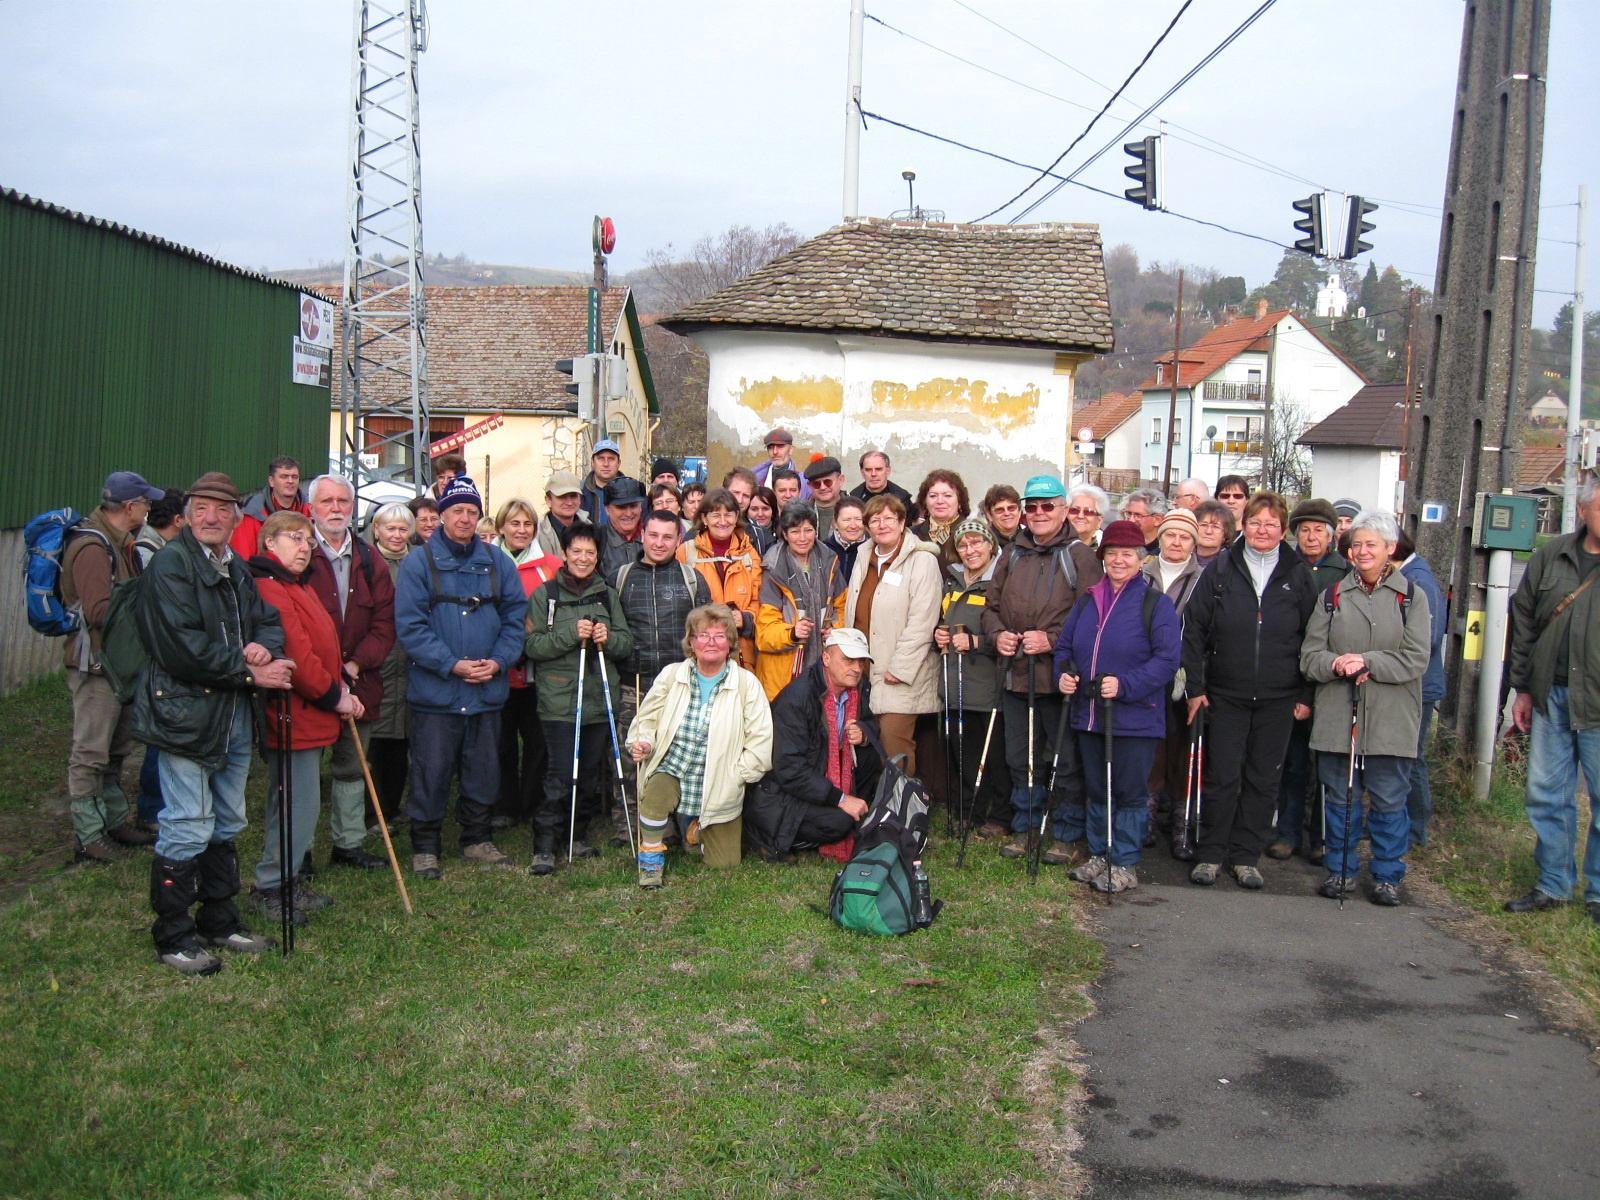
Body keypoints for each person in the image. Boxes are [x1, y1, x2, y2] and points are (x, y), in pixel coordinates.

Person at [133, 472, 291, 975]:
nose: (211, 518)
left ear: (236, 518)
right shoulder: (170, 567)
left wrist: (264, 645)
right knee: (186, 824)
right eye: (202, 508)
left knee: (227, 820)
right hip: (186, 714)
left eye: (222, 510)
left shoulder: (235, 567)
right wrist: (250, 671)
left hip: (231, 715)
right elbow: (181, 648)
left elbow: (266, 618)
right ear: (186, 514)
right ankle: (174, 934)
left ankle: (220, 920)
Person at [393, 476, 529, 879]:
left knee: (483, 767)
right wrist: (451, 664)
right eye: (457, 511)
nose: (465, 519)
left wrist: (500, 661)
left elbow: (515, 617)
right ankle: (425, 846)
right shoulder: (419, 563)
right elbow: (411, 627)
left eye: (472, 511)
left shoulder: (497, 561)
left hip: (487, 688)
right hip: (438, 691)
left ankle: (476, 837)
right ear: (441, 515)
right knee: (431, 770)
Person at [1181, 491, 1318, 890]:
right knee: (1221, 776)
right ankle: (1210, 854)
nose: (1262, 530)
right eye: (1256, 522)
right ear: (1243, 525)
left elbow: (1313, 638)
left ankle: (1245, 857)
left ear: (1283, 531)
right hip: (1224, 693)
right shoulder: (1221, 569)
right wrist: (1196, 688)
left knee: (1263, 779)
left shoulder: (1297, 575)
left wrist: (1305, 695)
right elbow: (1194, 632)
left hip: (1279, 697)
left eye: (1271, 524)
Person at [1301, 509, 1431, 906]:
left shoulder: (1413, 596)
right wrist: (1337, 664)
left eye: (1371, 544)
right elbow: (1310, 657)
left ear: (1391, 548)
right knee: (1340, 797)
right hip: (1340, 713)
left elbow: (1416, 658)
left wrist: (1368, 661)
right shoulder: (1333, 595)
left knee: (1390, 798)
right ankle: (1340, 871)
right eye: (1356, 544)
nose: (1361, 551)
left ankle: (1388, 875)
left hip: (1393, 717)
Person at [247, 510, 364, 924]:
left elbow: (322, 646)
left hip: (312, 714)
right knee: (294, 805)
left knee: (301, 805)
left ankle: (287, 879)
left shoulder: (295, 583)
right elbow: (297, 655)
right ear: (269, 544)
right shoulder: (271, 586)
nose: (303, 546)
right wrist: (335, 696)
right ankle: (271, 885)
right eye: (293, 538)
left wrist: (342, 688)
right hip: (292, 716)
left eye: (307, 540)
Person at [1055, 520, 1182, 893]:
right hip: (1091, 715)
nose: (1119, 560)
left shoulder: (1155, 605)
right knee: (1097, 787)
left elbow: (1167, 660)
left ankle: (1125, 862)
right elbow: (1065, 648)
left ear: (1141, 560)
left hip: (1134, 718)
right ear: (1103, 557)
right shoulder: (1087, 602)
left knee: (1128, 792)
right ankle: (1100, 854)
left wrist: (1125, 685)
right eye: (1112, 553)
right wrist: (1064, 674)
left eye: (1128, 553)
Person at [983, 475, 1102, 863]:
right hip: (1016, 674)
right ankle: (1025, 827)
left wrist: (1052, 640)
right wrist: (998, 635)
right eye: (1031, 506)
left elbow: (1094, 616)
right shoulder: (1011, 554)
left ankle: (1066, 834)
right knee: (1021, 757)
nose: (1038, 513)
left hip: (1059, 678)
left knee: (1065, 759)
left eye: (1047, 505)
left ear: (1063, 510)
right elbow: (991, 607)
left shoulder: (1079, 556)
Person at [1504, 479, 1600, 921]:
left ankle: (1598, 894)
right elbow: (1523, 622)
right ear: (1582, 511)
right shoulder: (1551, 555)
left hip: (1598, 700)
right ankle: (1554, 885)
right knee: (1546, 793)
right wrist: (1522, 688)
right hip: (1550, 695)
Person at [628, 604, 774, 886]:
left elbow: (761, 738)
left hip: (719, 775)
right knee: (655, 795)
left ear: (730, 643)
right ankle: (650, 858)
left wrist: (740, 775)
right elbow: (646, 719)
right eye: (703, 636)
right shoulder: (672, 675)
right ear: (691, 642)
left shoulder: (747, 683)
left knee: (724, 864)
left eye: (720, 636)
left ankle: (692, 828)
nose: (711, 642)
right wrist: (644, 743)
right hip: (674, 764)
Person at [61, 470, 164, 862]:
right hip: (95, 664)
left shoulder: (122, 543)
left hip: (117, 665)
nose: (149, 508)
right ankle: (88, 836)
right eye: (145, 503)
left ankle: (114, 820)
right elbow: (99, 611)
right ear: (129, 507)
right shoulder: (92, 547)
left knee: (117, 747)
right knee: (90, 751)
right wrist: (144, 608)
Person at [300, 473, 396, 873]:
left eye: (343, 501)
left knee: (352, 765)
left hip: (359, 680)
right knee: (303, 773)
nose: (336, 509)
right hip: (307, 685)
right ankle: (298, 850)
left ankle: (348, 844)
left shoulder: (370, 559)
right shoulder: (300, 554)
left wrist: (355, 665)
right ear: (311, 509)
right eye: (327, 502)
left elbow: (384, 623)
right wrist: (324, 673)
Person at [525, 521, 634, 874]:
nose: (583, 558)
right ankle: (545, 843)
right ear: (565, 554)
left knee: (587, 774)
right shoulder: (546, 594)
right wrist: (571, 634)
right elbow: (533, 645)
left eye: (590, 552)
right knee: (559, 774)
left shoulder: (607, 594)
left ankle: (577, 835)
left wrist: (607, 637)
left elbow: (625, 643)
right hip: (559, 700)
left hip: (597, 701)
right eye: (577, 552)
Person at [747, 628, 882, 862]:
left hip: (819, 772)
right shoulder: (797, 698)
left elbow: (871, 724)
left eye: (861, 661)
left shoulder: (858, 686)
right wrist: (841, 799)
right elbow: (790, 770)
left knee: (869, 755)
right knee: (840, 823)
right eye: (848, 660)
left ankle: (839, 811)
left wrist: (863, 733)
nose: (857, 668)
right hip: (781, 792)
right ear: (826, 659)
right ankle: (770, 836)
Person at [1267, 498, 1348, 862]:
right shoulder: (1283, 567)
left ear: (1331, 536)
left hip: (1331, 678)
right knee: (1293, 761)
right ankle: (1287, 833)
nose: (1311, 537)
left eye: (1319, 530)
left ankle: (1321, 837)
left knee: (1326, 764)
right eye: (1305, 530)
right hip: (1289, 676)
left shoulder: (1343, 573)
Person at [842, 494, 941, 774]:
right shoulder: (864, 557)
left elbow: (923, 621)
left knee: (894, 746)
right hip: (863, 668)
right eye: (874, 519)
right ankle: (877, 807)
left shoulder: (922, 561)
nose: (882, 525)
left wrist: (900, 668)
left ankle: (901, 812)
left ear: (902, 523)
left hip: (901, 673)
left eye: (889, 518)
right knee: (867, 743)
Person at [935, 518, 1012, 838]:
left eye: (977, 543)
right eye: (963, 545)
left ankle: (1003, 816)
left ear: (991, 546)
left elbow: (1009, 636)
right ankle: (970, 811)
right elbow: (945, 620)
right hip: (956, 684)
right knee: (963, 754)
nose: (970, 550)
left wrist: (977, 642)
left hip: (988, 686)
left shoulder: (1002, 582)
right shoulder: (952, 581)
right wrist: (938, 634)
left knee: (995, 757)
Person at [492, 498, 561, 832]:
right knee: (501, 742)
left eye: (527, 524)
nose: (521, 530)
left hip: (538, 670)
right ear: (501, 527)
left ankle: (532, 802)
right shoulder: (487, 560)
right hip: (498, 671)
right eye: (514, 524)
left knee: (537, 742)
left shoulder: (550, 565)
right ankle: (504, 804)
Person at [1142, 509, 1205, 858]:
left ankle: (1182, 821)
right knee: (1150, 747)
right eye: (1170, 535)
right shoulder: (1143, 573)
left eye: (1184, 537)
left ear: (1194, 543)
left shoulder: (1205, 578)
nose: (1176, 542)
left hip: (1185, 676)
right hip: (1145, 674)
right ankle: (1146, 817)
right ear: (1160, 537)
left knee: (1182, 748)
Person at [131, 486, 185, 832]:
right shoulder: (149, 552)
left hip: (161, 652)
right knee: (158, 736)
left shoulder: (156, 546)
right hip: (154, 655)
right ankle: (151, 809)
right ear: (180, 520)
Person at [755, 502, 846, 701]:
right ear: (785, 535)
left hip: (824, 666)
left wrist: (837, 630)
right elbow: (764, 634)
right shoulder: (773, 569)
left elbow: (844, 610)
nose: (803, 538)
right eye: (795, 531)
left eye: (808, 530)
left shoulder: (830, 562)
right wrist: (792, 633)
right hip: (783, 674)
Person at [1394, 528, 1446, 848]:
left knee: (1412, 758)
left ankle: (1416, 830)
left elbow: (1428, 639)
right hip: (1407, 683)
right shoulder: (1407, 574)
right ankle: (1403, 824)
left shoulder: (1419, 580)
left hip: (1419, 685)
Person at [365, 503, 415, 829]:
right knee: (375, 744)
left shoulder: (419, 563)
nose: (396, 535)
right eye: (390, 528)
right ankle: (371, 813)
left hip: (411, 664)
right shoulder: (366, 564)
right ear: (377, 530)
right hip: (378, 663)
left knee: (401, 743)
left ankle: (394, 808)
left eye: (402, 529)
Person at [679, 487, 763, 669]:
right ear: (704, 518)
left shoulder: (750, 554)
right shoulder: (686, 553)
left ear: (737, 517)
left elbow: (760, 600)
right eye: (716, 515)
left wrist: (746, 618)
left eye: (729, 515)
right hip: (699, 654)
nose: (723, 521)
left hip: (740, 654)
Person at [230, 456, 307, 559]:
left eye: (294, 477)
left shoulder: (310, 510)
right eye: (284, 476)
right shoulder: (253, 512)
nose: (290, 481)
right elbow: (243, 556)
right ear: (271, 481)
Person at [911, 469, 970, 567]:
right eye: (933, 496)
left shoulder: (973, 533)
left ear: (959, 502)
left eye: (947, 496)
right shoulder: (912, 535)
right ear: (925, 502)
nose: (940, 501)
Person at [598, 477, 647, 583]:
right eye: (621, 507)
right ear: (607, 509)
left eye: (633, 506)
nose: (628, 513)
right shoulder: (596, 540)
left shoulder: (654, 538)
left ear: (641, 507)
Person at [536, 470, 589, 558]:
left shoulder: (589, 527)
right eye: (562, 497)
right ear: (548, 500)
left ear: (580, 499)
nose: (569, 502)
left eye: (573, 496)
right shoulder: (537, 533)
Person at [581, 439, 629, 527]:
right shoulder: (580, 492)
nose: (606, 464)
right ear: (593, 462)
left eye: (611, 459)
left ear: (619, 463)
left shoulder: (632, 492)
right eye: (601, 458)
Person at [752, 428, 812, 498]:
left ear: (790, 450)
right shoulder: (755, 480)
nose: (775, 452)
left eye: (780, 446)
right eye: (770, 447)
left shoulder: (804, 481)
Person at [824, 494, 868, 583]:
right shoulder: (823, 549)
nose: (853, 525)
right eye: (846, 520)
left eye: (858, 519)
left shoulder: (872, 550)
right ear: (835, 523)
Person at [804, 455, 845, 539]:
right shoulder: (800, 514)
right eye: (817, 484)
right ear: (810, 486)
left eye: (828, 482)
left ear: (840, 480)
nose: (823, 487)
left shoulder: (857, 511)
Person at [1119, 487, 1168, 553]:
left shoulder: (1165, 552)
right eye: (1129, 513)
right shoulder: (1119, 543)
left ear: (1157, 520)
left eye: (1138, 515)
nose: (1131, 520)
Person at [1065, 483, 1110, 548]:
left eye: (1088, 512)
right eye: (1074, 510)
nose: (1080, 516)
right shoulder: (1052, 544)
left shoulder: (1106, 549)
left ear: (1099, 521)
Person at [1193, 499, 1235, 567]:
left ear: (1225, 534)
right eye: (1203, 525)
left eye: (1216, 527)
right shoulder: (1183, 556)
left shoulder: (1232, 563)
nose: (1208, 531)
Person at [745, 486, 779, 556]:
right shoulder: (741, 537)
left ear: (773, 511)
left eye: (765, 509)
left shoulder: (784, 533)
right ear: (746, 512)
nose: (760, 514)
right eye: (754, 509)